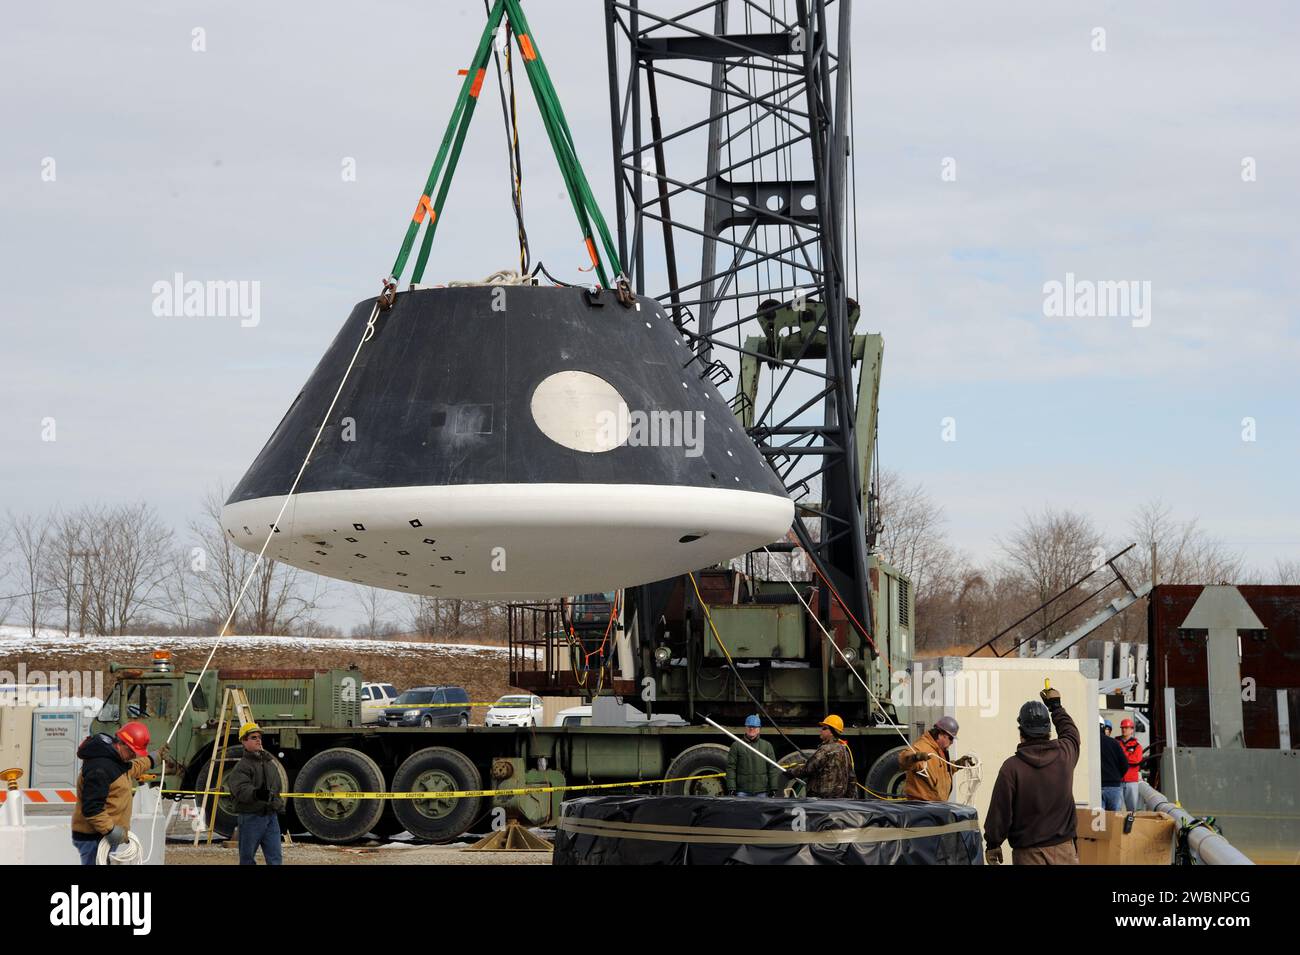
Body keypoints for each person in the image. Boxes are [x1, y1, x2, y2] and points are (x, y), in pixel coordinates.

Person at [983, 687, 1080, 865]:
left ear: (1021, 734)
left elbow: (1000, 811)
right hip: (1065, 851)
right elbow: (1071, 732)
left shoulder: (1011, 767)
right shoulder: (1065, 754)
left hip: (1028, 855)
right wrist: (1056, 707)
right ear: (1048, 731)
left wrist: (993, 843)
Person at [70, 722, 164, 865]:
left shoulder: (115, 759)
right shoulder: (99, 768)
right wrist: (111, 830)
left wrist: (152, 759)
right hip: (93, 838)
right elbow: (92, 809)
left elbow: (131, 769)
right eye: (132, 752)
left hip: (103, 836)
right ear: (122, 744)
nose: (133, 756)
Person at [226, 722, 286, 865]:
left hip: (271, 817)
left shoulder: (269, 763)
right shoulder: (242, 767)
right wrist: (257, 794)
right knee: (247, 860)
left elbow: (276, 788)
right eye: (253, 737)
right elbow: (240, 789)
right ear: (243, 741)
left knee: (275, 859)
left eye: (259, 737)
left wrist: (279, 808)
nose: (258, 740)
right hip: (251, 818)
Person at [896, 715, 975, 801]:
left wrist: (957, 764)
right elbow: (903, 760)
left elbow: (940, 771)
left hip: (935, 807)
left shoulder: (938, 750)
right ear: (941, 734)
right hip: (922, 808)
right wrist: (915, 757)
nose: (952, 742)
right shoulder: (922, 747)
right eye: (951, 738)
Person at [785, 715, 855, 798]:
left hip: (822, 799)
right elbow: (852, 777)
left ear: (832, 732)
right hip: (838, 800)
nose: (821, 730)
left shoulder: (825, 750)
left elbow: (808, 768)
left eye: (824, 728)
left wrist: (791, 773)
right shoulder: (843, 750)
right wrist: (850, 799)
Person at [725, 715, 781, 796]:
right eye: (749, 726)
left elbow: (772, 768)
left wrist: (773, 788)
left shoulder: (767, 746)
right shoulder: (736, 745)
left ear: (759, 729)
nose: (752, 729)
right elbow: (731, 768)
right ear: (745, 727)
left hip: (762, 792)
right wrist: (731, 788)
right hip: (742, 791)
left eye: (754, 727)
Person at [1099, 717, 1128, 811]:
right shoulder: (1114, 743)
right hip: (1114, 787)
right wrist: (1117, 777)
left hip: (1097, 787)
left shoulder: (1089, 743)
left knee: (1099, 822)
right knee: (1115, 820)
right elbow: (1124, 764)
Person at [1118, 718, 1143, 811]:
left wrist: (1122, 756)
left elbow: (1136, 760)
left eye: (1127, 728)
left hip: (1131, 781)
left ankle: (1131, 825)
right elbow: (1114, 758)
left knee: (1132, 810)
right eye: (1122, 728)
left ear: (1132, 730)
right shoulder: (1116, 743)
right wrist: (1128, 755)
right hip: (1118, 780)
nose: (1124, 729)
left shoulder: (1137, 746)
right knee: (1116, 810)